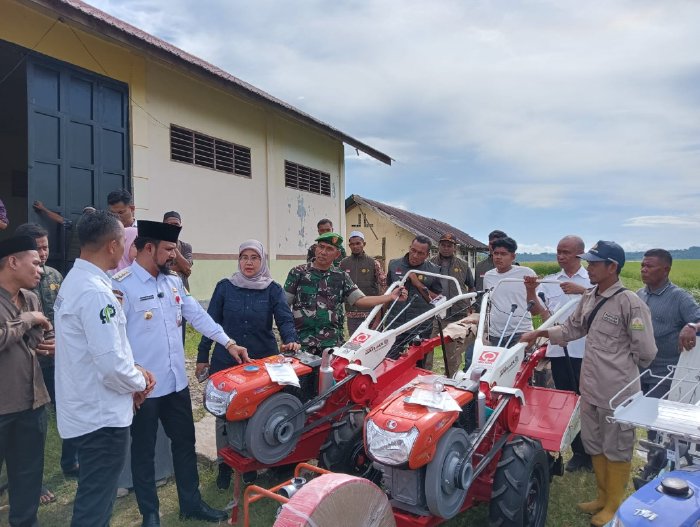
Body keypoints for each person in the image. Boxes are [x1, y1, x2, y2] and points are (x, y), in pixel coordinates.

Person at [520, 240, 656, 527]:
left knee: (617, 445)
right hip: (591, 386)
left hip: (618, 390)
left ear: (612, 267)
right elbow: (572, 329)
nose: (589, 267)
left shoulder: (630, 303)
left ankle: (614, 504)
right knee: (594, 442)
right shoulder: (591, 296)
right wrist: (540, 334)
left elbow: (646, 351)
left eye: (594, 263)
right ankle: (602, 497)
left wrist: (618, 365)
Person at [113, 220, 239, 526]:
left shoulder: (172, 282)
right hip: (143, 388)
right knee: (143, 451)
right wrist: (128, 379)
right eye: (169, 249)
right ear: (148, 248)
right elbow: (114, 339)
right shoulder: (121, 285)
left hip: (175, 384)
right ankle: (150, 514)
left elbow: (197, 315)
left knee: (184, 444)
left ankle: (191, 504)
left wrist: (228, 341)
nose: (174, 255)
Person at [54, 210, 154, 527]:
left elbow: (97, 351)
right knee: (95, 506)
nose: (127, 249)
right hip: (101, 418)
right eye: (124, 242)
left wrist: (131, 371)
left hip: (86, 407)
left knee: (95, 497)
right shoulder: (97, 293)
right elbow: (112, 367)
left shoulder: (76, 281)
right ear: (113, 245)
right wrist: (139, 380)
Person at [197, 239, 299, 490]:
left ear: (262, 261)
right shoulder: (225, 287)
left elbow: (285, 320)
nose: (249, 262)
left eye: (254, 257)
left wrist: (290, 340)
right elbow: (211, 324)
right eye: (244, 257)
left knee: (256, 413)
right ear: (238, 260)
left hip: (260, 362)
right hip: (227, 361)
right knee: (224, 415)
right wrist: (202, 356)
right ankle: (224, 464)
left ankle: (251, 464)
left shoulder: (272, 289)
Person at [14, 223, 80, 495]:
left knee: (69, 409)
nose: (43, 254)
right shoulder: (13, 284)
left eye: (46, 247)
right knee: (32, 426)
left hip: (58, 358)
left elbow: (67, 314)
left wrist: (62, 342)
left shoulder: (55, 275)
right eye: (38, 248)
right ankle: (34, 483)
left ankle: (71, 461)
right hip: (28, 363)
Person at [524, 235, 592, 472]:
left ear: (579, 254)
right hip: (559, 350)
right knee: (567, 400)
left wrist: (583, 291)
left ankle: (595, 452)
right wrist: (531, 291)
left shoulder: (592, 281)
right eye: (558, 252)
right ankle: (579, 452)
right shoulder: (551, 281)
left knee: (589, 403)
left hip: (587, 351)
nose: (561, 256)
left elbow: (607, 303)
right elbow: (539, 312)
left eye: (566, 252)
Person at [0, 235, 52, 527]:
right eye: (34, 263)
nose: (40, 269)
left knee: (28, 478)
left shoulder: (31, 298)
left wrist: (49, 342)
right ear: (12, 262)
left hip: (32, 403)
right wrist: (27, 320)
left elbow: (39, 337)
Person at [285, 232, 406, 356]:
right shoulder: (298, 273)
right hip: (301, 343)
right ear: (316, 249)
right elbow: (284, 306)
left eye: (329, 249)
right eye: (321, 247)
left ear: (337, 254)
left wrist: (390, 296)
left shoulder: (341, 276)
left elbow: (360, 300)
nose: (323, 252)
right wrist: (288, 336)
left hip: (331, 344)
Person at [637, 248, 700, 397]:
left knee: (652, 410)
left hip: (663, 377)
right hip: (637, 373)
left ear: (666, 270)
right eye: (642, 266)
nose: (644, 270)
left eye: (649, 266)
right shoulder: (639, 294)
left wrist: (693, 326)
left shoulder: (679, 298)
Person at [386, 236, 443, 359]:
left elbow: (438, 300)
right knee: (389, 361)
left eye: (420, 253)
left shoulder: (434, 270)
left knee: (418, 362)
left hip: (421, 325)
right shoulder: (394, 264)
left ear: (427, 254)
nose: (415, 255)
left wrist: (418, 284)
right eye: (413, 250)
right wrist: (378, 320)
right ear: (409, 248)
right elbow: (387, 293)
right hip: (395, 323)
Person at [428, 232, 474, 375]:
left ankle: (451, 379)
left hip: (456, 314)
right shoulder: (429, 264)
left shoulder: (463, 265)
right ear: (438, 246)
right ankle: (424, 376)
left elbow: (471, 287)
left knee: (452, 354)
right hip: (434, 314)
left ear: (455, 248)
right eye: (443, 245)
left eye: (449, 246)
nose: (446, 248)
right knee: (426, 349)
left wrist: (470, 306)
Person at [483, 236, 536, 346]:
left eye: (503, 254)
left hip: (520, 331)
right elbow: (488, 304)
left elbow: (536, 302)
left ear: (513, 256)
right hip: (495, 333)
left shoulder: (526, 273)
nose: (498, 257)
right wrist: (485, 330)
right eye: (496, 253)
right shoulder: (488, 276)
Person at [339, 231, 387, 335]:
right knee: (355, 343)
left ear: (364, 244)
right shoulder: (343, 264)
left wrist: (379, 316)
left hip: (371, 314)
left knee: (373, 343)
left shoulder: (373, 263)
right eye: (352, 244)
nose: (355, 246)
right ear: (349, 246)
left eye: (358, 243)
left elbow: (383, 287)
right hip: (352, 314)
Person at [32, 201, 96, 273]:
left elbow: (60, 219)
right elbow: (59, 219)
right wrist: (43, 208)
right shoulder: (77, 224)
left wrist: (43, 208)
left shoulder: (95, 227)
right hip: (79, 260)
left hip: (82, 260)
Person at [163, 211, 193, 343]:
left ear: (180, 227)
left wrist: (173, 246)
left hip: (182, 295)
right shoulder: (159, 247)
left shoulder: (185, 247)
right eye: (169, 224)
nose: (172, 227)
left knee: (181, 332)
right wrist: (179, 268)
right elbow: (160, 269)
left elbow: (187, 268)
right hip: (164, 294)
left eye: (176, 224)